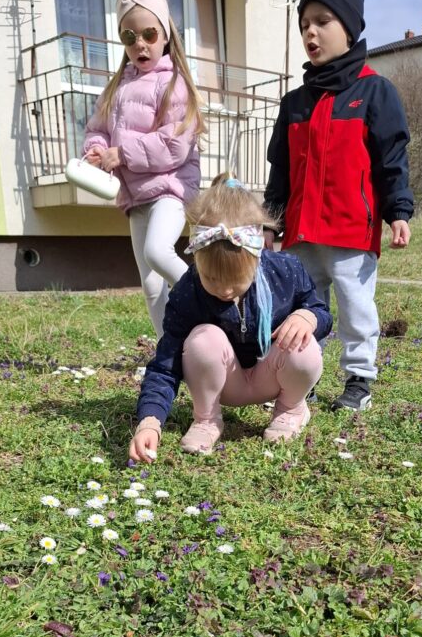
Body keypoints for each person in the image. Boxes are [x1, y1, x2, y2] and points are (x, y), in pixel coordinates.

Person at [264, 0, 414, 411]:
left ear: (349, 28)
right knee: (298, 312)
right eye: (304, 24)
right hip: (300, 234)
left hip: (351, 230)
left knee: (354, 308)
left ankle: (358, 380)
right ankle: (299, 378)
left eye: (323, 21)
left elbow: (392, 160)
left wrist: (398, 211)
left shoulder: (375, 93)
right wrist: (272, 221)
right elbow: (281, 171)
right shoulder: (294, 103)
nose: (311, 31)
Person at [128, 175, 332, 462]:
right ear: (197, 258)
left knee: (304, 345)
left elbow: (321, 310)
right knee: (202, 340)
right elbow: (165, 364)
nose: (224, 290)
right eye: (211, 279)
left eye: (236, 281)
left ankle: (290, 409)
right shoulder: (188, 290)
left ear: (258, 254)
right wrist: (150, 421)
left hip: (271, 375)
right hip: (224, 385)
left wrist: (308, 316)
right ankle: (207, 419)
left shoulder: (285, 270)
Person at [83, 0, 205, 336]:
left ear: (165, 34)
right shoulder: (117, 88)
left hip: (170, 189)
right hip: (135, 197)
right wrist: (95, 150)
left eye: (149, 34)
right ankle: (173, 350)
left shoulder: (175, 83)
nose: (141, 44)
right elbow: (97, 129)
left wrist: (123, 153)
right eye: (129, 37)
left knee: (157, 251)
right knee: (151, 286)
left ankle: (210, 299)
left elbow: (175, 145)